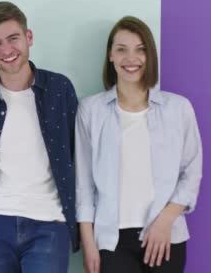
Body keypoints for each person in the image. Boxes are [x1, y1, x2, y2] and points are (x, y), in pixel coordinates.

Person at [0, 1, 79, 272]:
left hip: (50, 221)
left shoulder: (59, 88)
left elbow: (74, 152)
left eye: (13, 38)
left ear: (28, 37)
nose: (7, 50)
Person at [76, 16, 202, 273]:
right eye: (121, 49)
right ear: (110, 55)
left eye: (139, 49)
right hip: (111, 241)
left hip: (166, 237)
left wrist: (165, 220)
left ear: (150, 55)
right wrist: (89, 244)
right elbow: (83, 184)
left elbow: (192, 171)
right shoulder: (91, 110)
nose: (130, 58)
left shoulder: (178, 109)